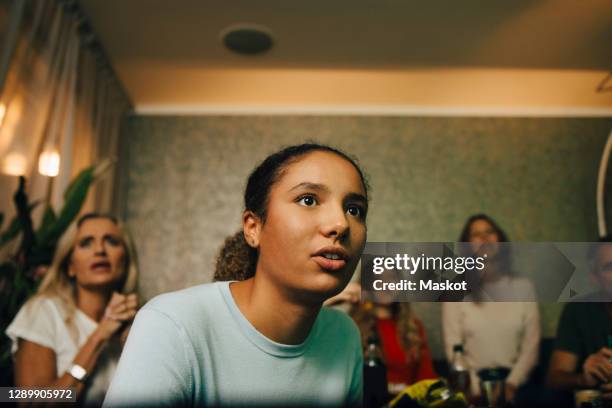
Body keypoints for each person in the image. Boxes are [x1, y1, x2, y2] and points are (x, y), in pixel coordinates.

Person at [103, 143, 369, 407]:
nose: (340, 224)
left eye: (354, 209)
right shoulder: (172, 324)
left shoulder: (344, 336)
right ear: (253, 228)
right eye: (308, 200)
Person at [6, 213, 139, 406]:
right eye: (86, 243)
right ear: (70, 266)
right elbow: (30, 402)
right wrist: (99, 336)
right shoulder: (43, 311)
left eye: (111, 241)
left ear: (126, 261)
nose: (100, 250)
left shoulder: (141, 322)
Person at [442, 214, 540, 403]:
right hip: (473, 390)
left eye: (489, 232)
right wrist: (481, 390)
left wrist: (510, 385)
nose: (484, 238)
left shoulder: (523, 287)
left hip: (517, 389)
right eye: (476, 234)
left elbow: (532, 346)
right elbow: (453, 349)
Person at [547, 235, 612, 403]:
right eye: (609, 267)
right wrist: (583, 379)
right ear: (594, 277)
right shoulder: (579, 311)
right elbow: (554, 379)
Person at [352, 301, 437, 389]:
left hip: (407, 398)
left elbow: (426, 376)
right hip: (368, 398)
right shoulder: (354, 326)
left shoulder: (413, 328)